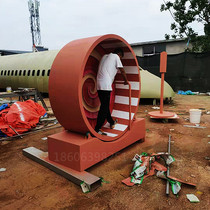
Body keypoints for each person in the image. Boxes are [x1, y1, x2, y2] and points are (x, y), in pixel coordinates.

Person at [95, 48, 129, 135]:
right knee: (104, 108)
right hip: (106, 86)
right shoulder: (116, 56)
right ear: (119, 54)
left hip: (99, 84)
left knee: (105, 106)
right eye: (121, 57)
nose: (120, 59)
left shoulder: (104, 56)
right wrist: (126, 81)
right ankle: (97, 129)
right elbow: (122, 70)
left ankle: (111, 122)